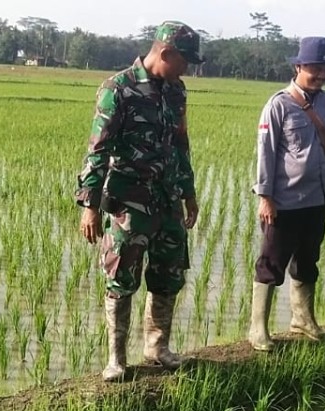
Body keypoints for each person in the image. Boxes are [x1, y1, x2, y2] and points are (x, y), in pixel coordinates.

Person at [75, 21, 203, 381]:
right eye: (184, 61)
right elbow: (97, 151)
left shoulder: (176, 92)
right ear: (165, 53)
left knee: (168, 273)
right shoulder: (118, 90)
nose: (186, 69)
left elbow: (181, 144)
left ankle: (157, 347)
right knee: (122, 277)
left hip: (167, 200)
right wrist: (90, 205)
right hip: (128, 202)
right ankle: (117, 358)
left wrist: (188, 193)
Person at [248, 37, 325, 351]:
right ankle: (257, 329)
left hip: (317, 199)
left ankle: (302, 319)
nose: (321, 74)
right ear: (298, 66)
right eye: (315, 67)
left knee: (307, 261)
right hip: (284, 202)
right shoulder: (279, 104)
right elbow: (266, 153)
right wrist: (265, 197)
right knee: (271, 263)